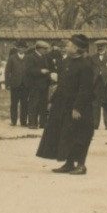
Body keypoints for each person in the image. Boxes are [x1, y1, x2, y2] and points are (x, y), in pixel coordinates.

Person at [36, 33, 97, 175]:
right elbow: (61, 85)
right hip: (62, 105)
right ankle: (69, 163)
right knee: (65, 135)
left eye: (69, 45)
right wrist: (52, 102)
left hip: (78, 107)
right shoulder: (66, 62)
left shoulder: (86, 65)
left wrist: (77, 108)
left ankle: (81, 165)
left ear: (76, 49)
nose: (66, 46)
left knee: (80, 136)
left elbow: (85, 90)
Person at [22, 40, 53, 129]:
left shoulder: (46, 57)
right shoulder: (30, 57)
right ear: (38, 49)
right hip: (34, 85)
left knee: (43, 104)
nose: (46, 51)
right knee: (33, 103)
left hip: (44, 84)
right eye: (44, 49)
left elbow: (50, 68)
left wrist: (51, 74)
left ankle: (42, 123)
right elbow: (28, 70)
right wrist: (40, 71)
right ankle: (32, 123)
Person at [4, 39, 29, 126]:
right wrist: (7, 84)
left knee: (25, 104)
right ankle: (13, 121)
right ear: (17, 48)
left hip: (25, 85)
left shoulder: (28, 58)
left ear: (25, 49)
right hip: (15, 84)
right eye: (20, 48)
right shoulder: (12, 58)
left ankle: (23, 121)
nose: (22, 49)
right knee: (14, 103)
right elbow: (7, 71)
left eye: (24, 48)